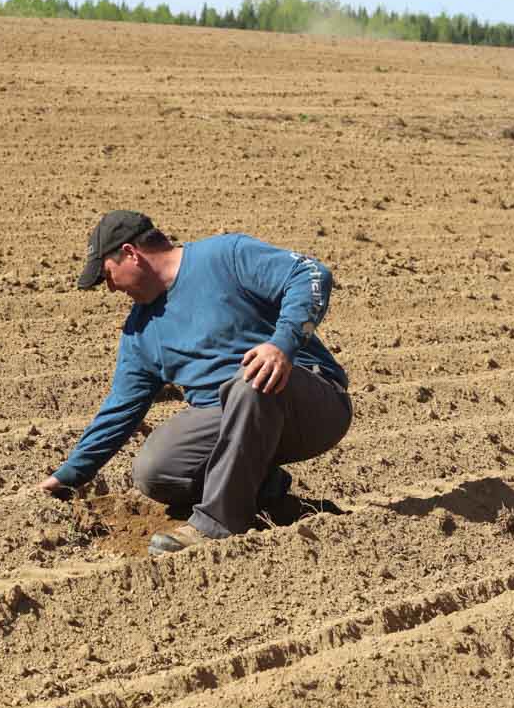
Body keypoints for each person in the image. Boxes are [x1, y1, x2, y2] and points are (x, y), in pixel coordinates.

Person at [38, 210, 352, 555]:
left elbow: (310, 274)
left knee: (249, 381)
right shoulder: (140, 331)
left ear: (130, 253)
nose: (110, 287)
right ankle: (264, 491)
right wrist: (69, 475)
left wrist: (282, 344)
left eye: (107, 275)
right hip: (236, 418)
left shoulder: (224, 255)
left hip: (310, 403)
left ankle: (218, 524)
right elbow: (120, 408)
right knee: (154, 469)